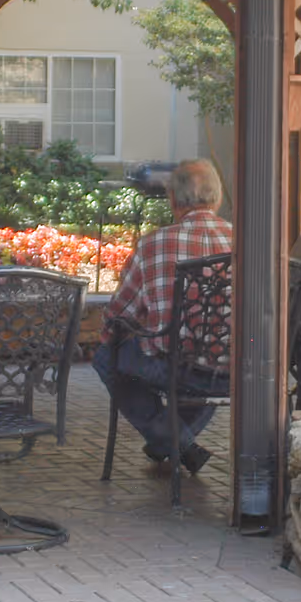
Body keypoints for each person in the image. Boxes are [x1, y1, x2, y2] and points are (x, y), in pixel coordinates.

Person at [93, 159, 233, 471]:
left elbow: (119, 316)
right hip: (236, 370)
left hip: (177, 369)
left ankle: (173, 441)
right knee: (204, 359)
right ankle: (175, 441)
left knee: (107, 357)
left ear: (172, 199)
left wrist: (112, 337)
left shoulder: (153, 244)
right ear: (218, 197)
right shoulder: (249, 246)